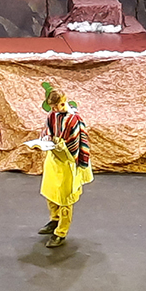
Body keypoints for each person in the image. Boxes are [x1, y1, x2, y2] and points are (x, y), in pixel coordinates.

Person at [37, 89, 94, 247]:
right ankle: (54, 220)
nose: (57, 109)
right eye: (53, 107)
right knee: (50, 192)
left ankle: (61, 232)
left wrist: (61, 146)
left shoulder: (74, 119)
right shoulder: (52, 115)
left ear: (64, 101)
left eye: (59, 105)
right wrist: (46, 139)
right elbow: (47, 130)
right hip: (53, 159)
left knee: (65, 198)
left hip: (68, 161)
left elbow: (76, 141)